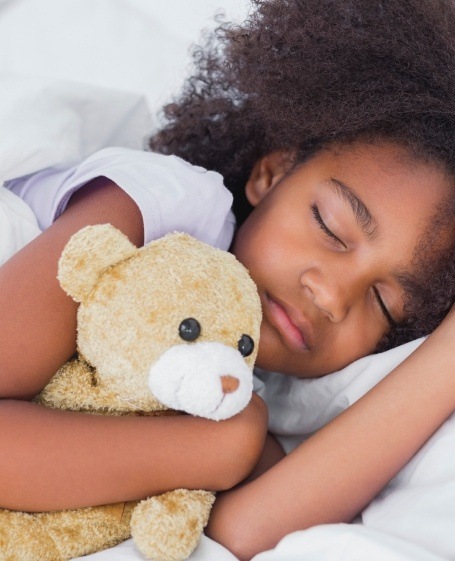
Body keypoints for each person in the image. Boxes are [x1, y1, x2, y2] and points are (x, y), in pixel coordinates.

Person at [0, 0, 454, 560]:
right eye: (331, 227)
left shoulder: (249, 392)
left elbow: (241, 535)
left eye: (384, 304)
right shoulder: (163, 210)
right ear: (272, 172)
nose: (333, 295)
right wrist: (215, 451)